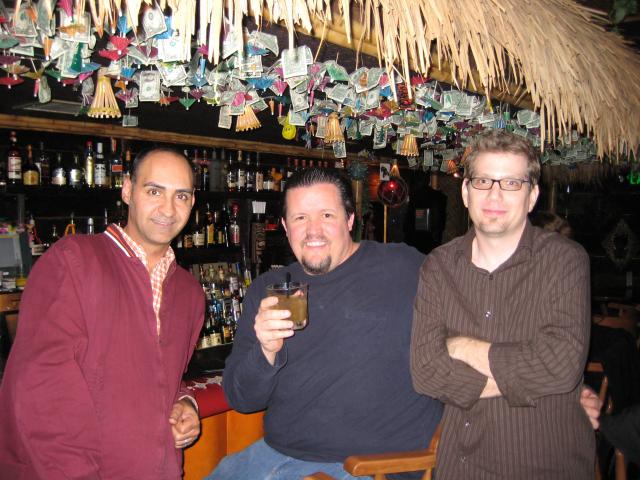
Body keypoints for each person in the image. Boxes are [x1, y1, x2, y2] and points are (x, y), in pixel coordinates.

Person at [207, 167, 442, 480]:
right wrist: (266, 351)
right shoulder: (267, 289)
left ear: (350, 219)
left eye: (327, 215)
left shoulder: (403, 268)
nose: (313, 230)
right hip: (273, 456)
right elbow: (243, 399)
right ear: (285, 227)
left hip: (367, 468)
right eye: (300, 218)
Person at [0, 148, 204, 479]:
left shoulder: (190, 294)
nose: (168, 209)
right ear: (128, 190)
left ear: (192, 202)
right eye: (154, 191)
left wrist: (184, 402)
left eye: (180, 195)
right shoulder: (74, 261)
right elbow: (44, 395)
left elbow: (156, 377)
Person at [411, 129, 595, 479]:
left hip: (544, 466)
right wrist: (530, 381)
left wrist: (461, 347)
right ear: (466, 192)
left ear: (532, 195)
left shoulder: (565, 260)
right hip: (460, 466)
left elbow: (560, 365)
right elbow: (425, 373)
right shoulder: (438, 266)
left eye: (511, 183)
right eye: (483, 181)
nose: (494, 194)